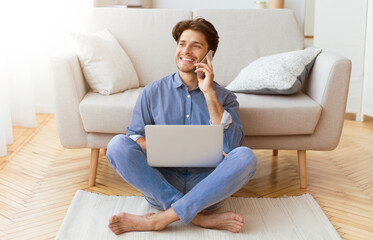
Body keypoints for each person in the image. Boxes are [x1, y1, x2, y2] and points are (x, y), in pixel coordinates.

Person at [106, 17, 257, 235]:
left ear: (209, 55)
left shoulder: (225, 97)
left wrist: (208, 92)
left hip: (207, 186)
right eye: (182, 43)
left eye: (196, 45)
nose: (186, 50)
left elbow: (232, 147)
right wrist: (167, 149)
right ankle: (198, 217)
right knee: (116, 145)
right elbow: (133, 138)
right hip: (162, 183)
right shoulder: (152, 92)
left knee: (246, 157)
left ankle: (158, 220)